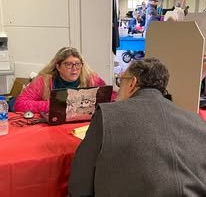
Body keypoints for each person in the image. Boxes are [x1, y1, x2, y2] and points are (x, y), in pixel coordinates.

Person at [69, 58, 206, 197]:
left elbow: (81, 178)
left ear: (132, 83)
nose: (118, 87)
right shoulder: (197, 121)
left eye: (120, 81)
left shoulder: (107, 115)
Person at [14, 47, 113, 113]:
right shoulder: (43, 81)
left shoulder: (91, 78)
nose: (74, 68)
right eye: (68, 64)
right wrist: (54, 105)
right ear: (58, 66)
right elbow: (20, 104)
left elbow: (111, 97)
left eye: (78, 64)